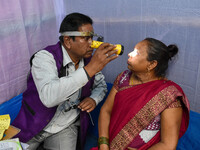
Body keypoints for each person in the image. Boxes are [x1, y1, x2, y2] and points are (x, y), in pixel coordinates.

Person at [11, 12, 119, 150]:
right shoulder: (44, 58)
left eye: (93, 37)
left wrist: (94, 99)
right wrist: (89, 70)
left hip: (65, 125)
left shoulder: (89, 61)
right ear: (68, 41)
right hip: (35, 121)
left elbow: (101, 86)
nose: (92, 44)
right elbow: (49, 97)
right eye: (86, 38)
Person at [92, 38, 190, 150]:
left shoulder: (168, 95)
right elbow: (106, 111)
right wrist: (103, 144)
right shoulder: (123, 78)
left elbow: (168, 145)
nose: (129, 54)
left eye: (136, 53)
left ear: (152, 64)